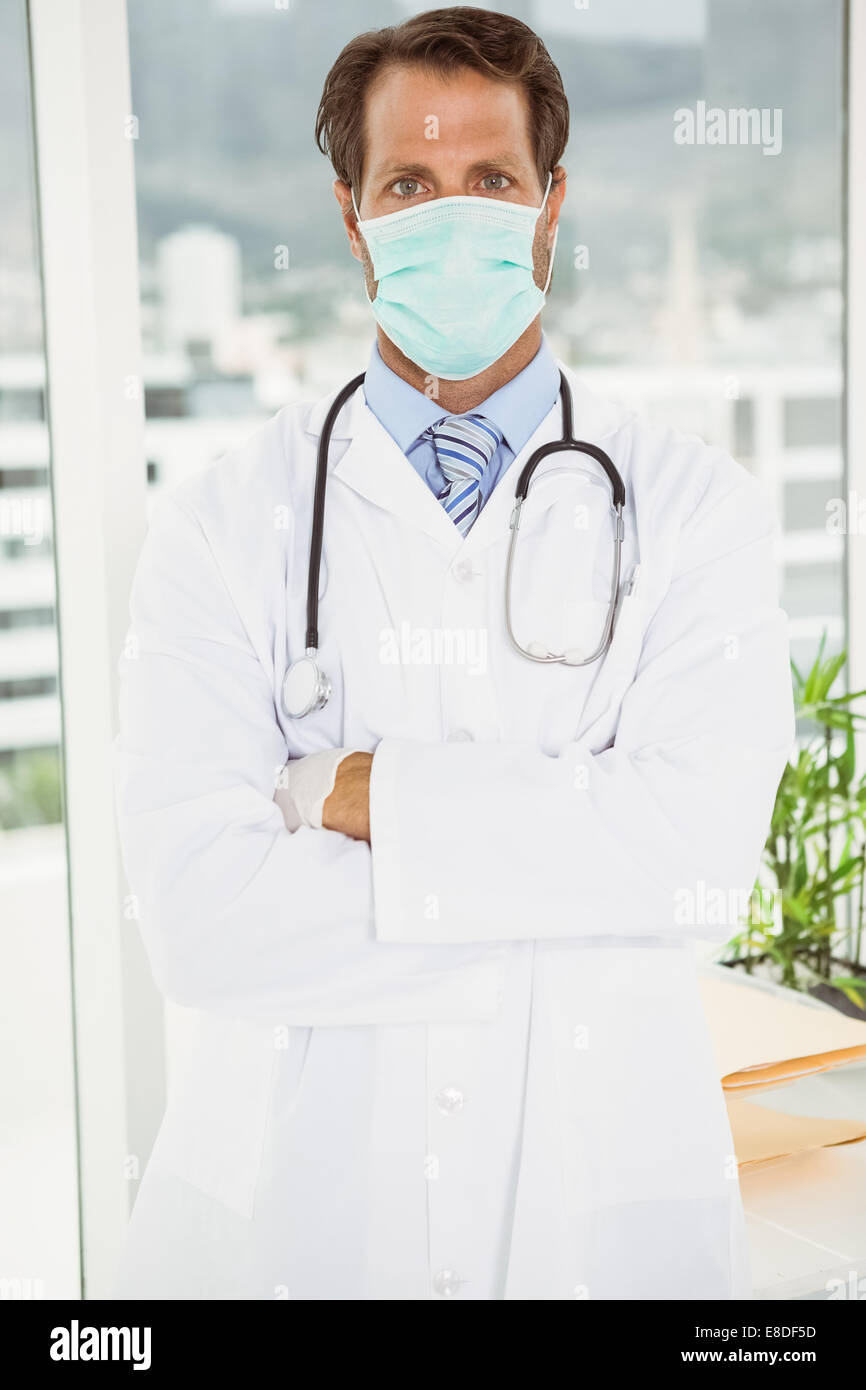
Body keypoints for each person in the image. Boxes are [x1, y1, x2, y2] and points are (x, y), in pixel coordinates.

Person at [112, 6, 795, 1300]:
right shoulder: (219, 525)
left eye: (489, 181)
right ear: (350, 214)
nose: (454, 216)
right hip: (300, 1216)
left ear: (549, 206)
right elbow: (202, 927)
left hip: (606, 1214)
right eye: (409, 186)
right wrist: (570, 899)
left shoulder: (696, 509)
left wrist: (359, 796)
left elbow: (698, 868)